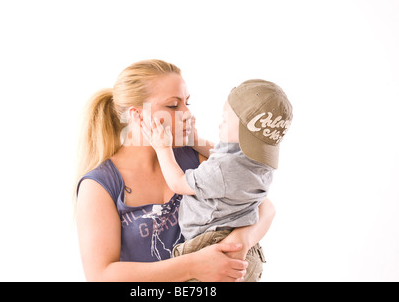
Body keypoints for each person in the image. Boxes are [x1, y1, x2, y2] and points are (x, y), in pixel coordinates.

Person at [75, 59, 276, 281]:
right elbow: (101, 275)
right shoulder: (99, 185)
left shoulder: (196, 158)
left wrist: (240, 242)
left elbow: (263, 207)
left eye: (186, 103)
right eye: (173, 105)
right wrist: (193, 267)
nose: (187, 114)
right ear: (136, 115)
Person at [141, 79, 293, 281]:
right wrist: (196, 142)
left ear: (241, 129)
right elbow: (220, 156)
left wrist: (162, 148)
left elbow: (178, 183)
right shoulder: (259, 162)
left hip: (213, 247)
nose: (219, 123)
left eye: (225, 118)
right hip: (247, 252)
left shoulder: (222, 170)